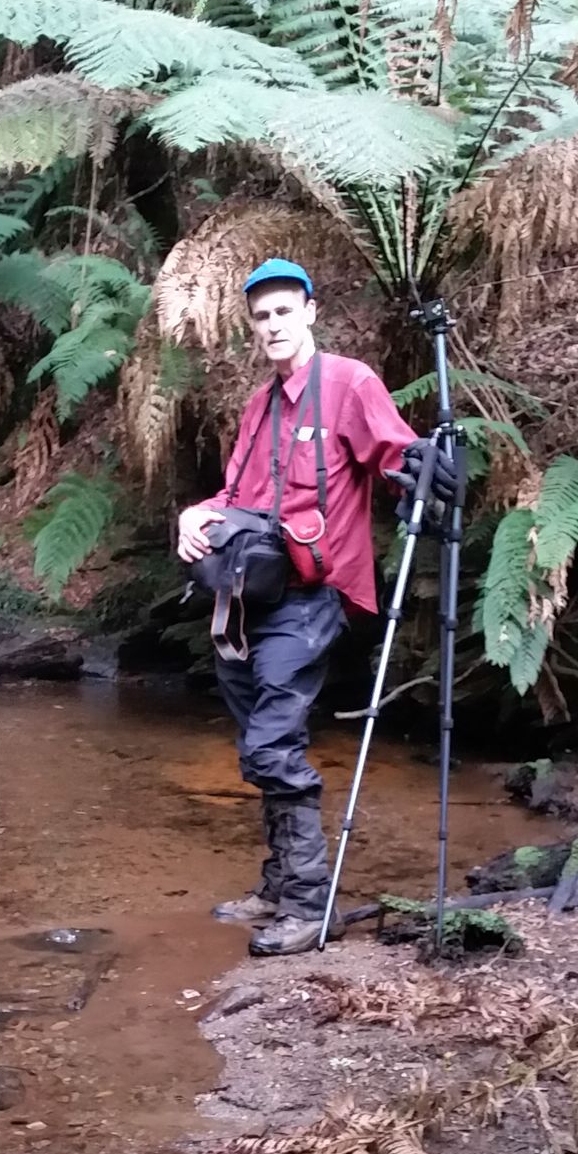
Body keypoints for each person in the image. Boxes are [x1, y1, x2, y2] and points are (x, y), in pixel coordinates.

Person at [177, 257, 452, 959]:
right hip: (247, 597)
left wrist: (423, 469)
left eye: (282, 311)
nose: (272, 324)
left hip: (313, 597)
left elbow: (393, 457)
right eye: (260, 316)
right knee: (255, 742)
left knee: (272, 743)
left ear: (310, 310)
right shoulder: (260, 404)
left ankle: (306, 905)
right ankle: (275, 887)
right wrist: (193, 514)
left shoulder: (349, 383)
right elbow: (236, 496)